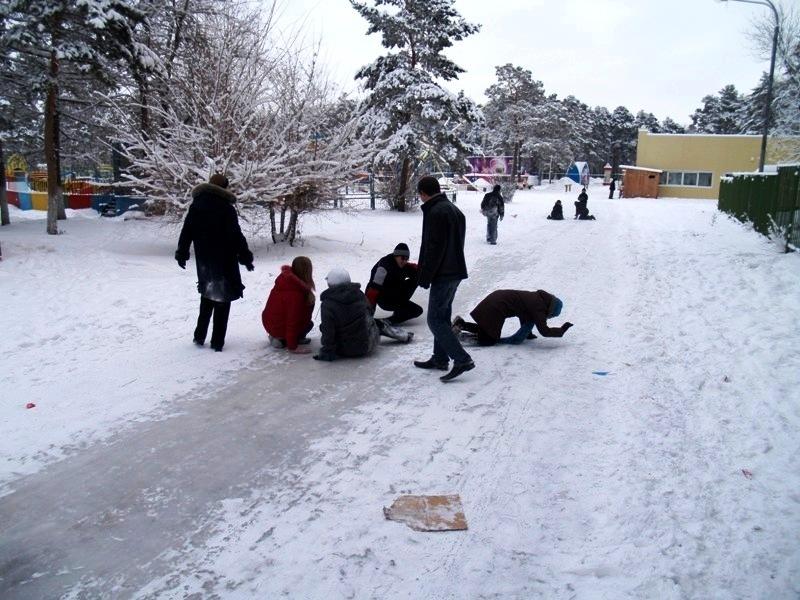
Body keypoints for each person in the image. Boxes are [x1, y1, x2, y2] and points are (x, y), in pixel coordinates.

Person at [175, 173, 254, 352]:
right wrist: (245, 257)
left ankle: (199, 336)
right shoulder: (226, 208)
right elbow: (236, 235)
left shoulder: (196, 205)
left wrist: (182, 252)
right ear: (225, 187)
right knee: (223, 300)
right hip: (224, 260)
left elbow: (187, 230)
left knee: (207, 295)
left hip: (204, 261)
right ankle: (217, 342)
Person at [413, 175, 474, 382]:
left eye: (419, 195)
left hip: (444, 273)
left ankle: (462, 359)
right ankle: (440, 358)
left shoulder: (436, 212)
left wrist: (425, 275)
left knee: (435, 320)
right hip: (454, 270)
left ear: (423, 193)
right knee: (443, 316)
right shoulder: (454, 210)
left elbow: (434, 248)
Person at [453, 289, 573, 347]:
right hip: (497, 307)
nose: (548, 317)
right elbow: (544, 331)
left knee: (487, 329)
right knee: (489, 340)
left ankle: (460, 324)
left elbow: (525, 315)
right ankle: (459, 336)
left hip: (496, 300)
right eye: (551, 316)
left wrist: (528, 334)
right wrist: (561, 330)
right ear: (550, 310)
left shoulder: (538, 299)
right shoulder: (539, 308)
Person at [262, 256, 316, 354]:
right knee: (306, 324)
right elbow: (292, 321)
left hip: (270, 323)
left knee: (308, 324)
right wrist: (293, 347)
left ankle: (281, 337)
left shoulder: (286, 281)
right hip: (278, 325)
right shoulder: (295, 294)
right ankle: (281, 339)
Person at [365, 243, 422, 325]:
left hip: (394, 295)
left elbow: (415, 269)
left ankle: (390, 320)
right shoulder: (384, 267)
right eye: (403, 258)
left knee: (417, 311)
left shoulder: (403, 265)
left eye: (407, 259)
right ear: (396, 256)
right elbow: (373, 290)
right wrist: (368, 314)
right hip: (382, 298)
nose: (404, 261)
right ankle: (382, 323)